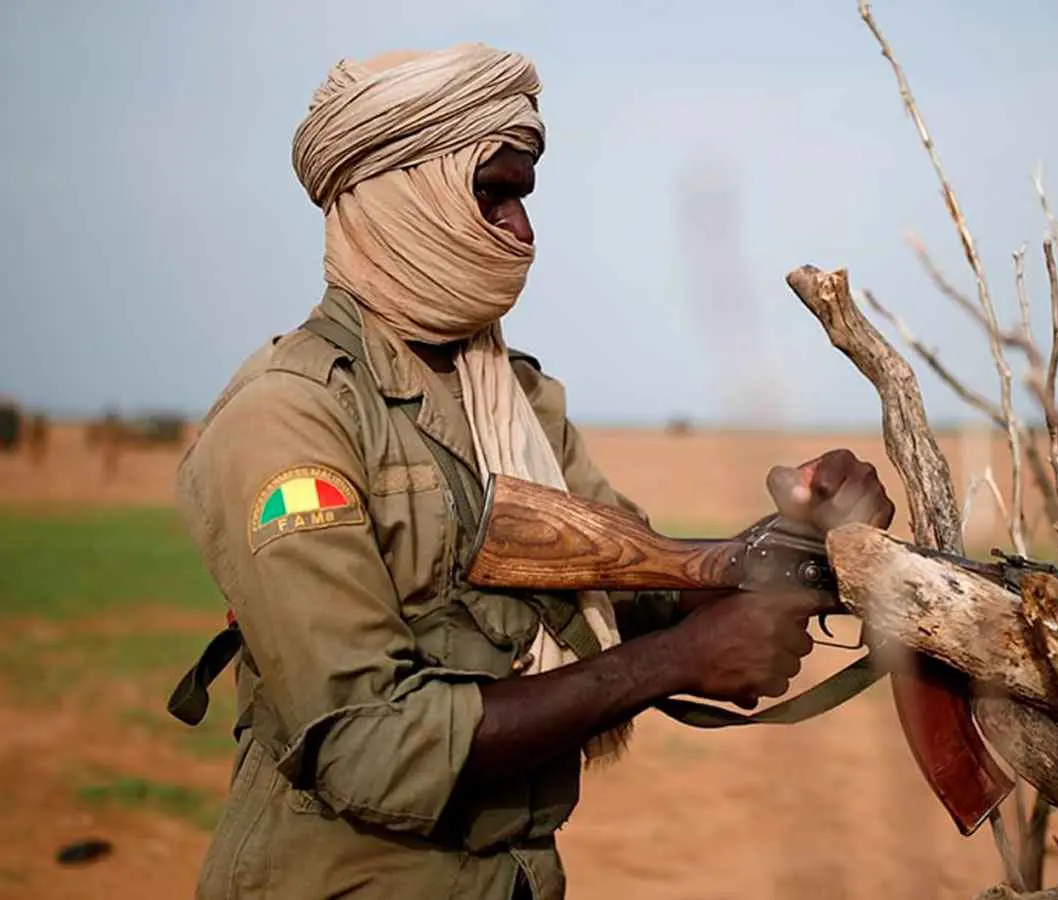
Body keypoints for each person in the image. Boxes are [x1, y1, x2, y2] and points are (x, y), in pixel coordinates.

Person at [167, 42, 894, 900]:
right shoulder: (290, 415)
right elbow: (369, 745)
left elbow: (624, 593)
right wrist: (674, 663)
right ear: (407, 196)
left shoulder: (515, 397)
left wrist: (784, 544)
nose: (522, 231)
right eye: (492, 193)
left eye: (523, 197)